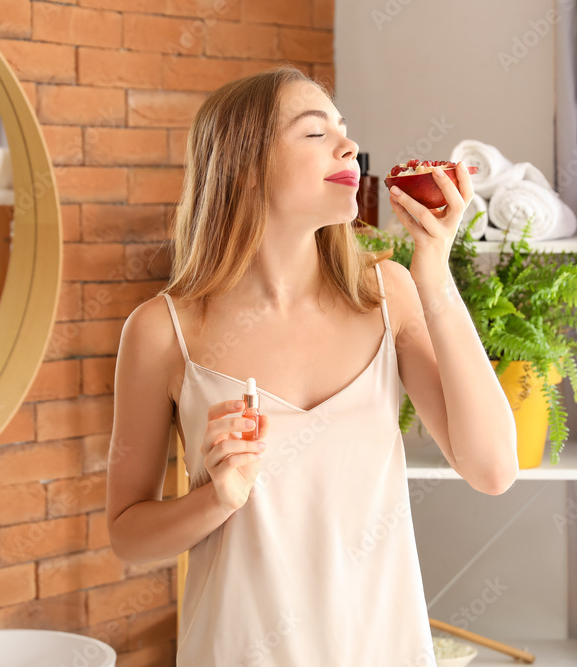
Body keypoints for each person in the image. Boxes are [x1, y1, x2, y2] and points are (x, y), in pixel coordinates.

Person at [106, 65, 519, 666]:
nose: (348, 145)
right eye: (313, 132)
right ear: (244, 168)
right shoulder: (162, 331)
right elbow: (127, 536)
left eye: (344, 129)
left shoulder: (387, 294)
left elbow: (492, 468)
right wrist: (215, 499)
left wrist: (434, 271)